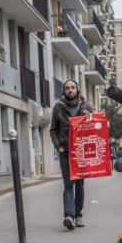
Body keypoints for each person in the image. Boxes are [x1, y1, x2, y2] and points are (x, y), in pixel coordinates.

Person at [50, 79, 93, 230]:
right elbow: (53, 130)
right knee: (68, 184)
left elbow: (95, 126)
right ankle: (69, 216)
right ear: (64, 91)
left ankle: (78, 215)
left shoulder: (86, 106)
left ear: (77, 89)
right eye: (67, 88)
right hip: (66, 152)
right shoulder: (58, 108)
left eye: (73, 87)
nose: (70, 90)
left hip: (81, 153)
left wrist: (88, 117)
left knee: (79, 185)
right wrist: (59, 147)